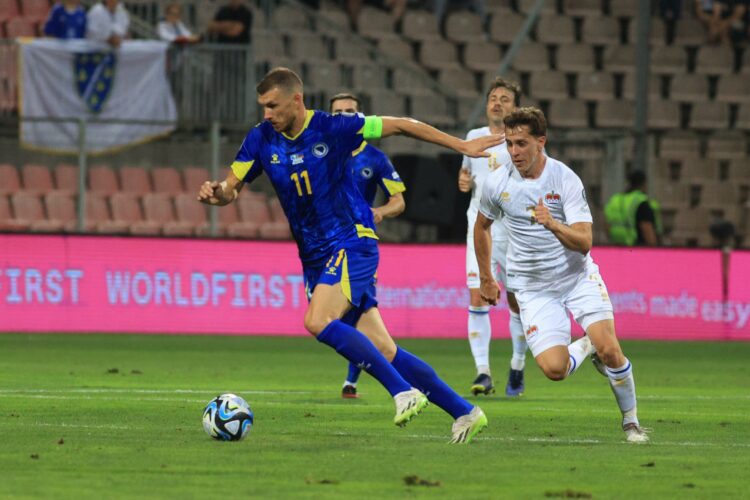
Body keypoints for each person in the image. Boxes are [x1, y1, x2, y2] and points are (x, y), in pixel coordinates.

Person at [197, 67, 499, 443]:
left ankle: (402, 392)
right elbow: (231, 187)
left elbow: (401, 125)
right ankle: (465, 411)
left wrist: (461, 146)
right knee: (385, 349)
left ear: (296, 100)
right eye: (263, 106)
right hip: (314, 256)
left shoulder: (333, 127)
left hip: (351, 241)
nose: (267, 114)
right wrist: (217, 193)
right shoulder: (261, 138)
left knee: (317, 320)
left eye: (273, 106)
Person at [475, 107, 649, 443]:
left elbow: (584, 242)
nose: (514, 152)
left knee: (611, 350)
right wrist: (486, 276)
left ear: (541, 142)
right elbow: (481, 226)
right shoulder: (497, 182)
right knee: (555, 370)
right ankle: (587, 344)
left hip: (576, 278)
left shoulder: (564, 179)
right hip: (532, 287)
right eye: (509, 144)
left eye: (521, 143)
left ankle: (631, 423)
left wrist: (553, 224)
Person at [328, 92, 407, 399]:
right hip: (325, 245)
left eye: (350, 111)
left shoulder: (375, 158)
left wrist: (380, 211)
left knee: (358, 308)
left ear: (360, 117)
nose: (345, 116)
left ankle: (354, 381)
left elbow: (399, 201)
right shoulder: (320, 152)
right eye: (338, 112)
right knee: (332, 317)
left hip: (359, 246)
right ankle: (387, 373)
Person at [458, 77, 528, 397]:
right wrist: (464, 181)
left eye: (505, 99)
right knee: (477, 296)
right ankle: (483, 371)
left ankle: (517, 364)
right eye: (493, 99)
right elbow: (467, 174)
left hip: (512, 230)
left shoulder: (521, 141)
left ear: (516, 108)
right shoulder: (473, 137)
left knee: (516, 301)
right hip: (479, 226)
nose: (497, 103)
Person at [604, 170, 661, 247]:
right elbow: (647, 230)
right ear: (644, 184)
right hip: (638, 248)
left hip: (616, 248)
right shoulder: (640, 201)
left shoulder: (615, 200)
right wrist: (655, 249)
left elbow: (606, 226)